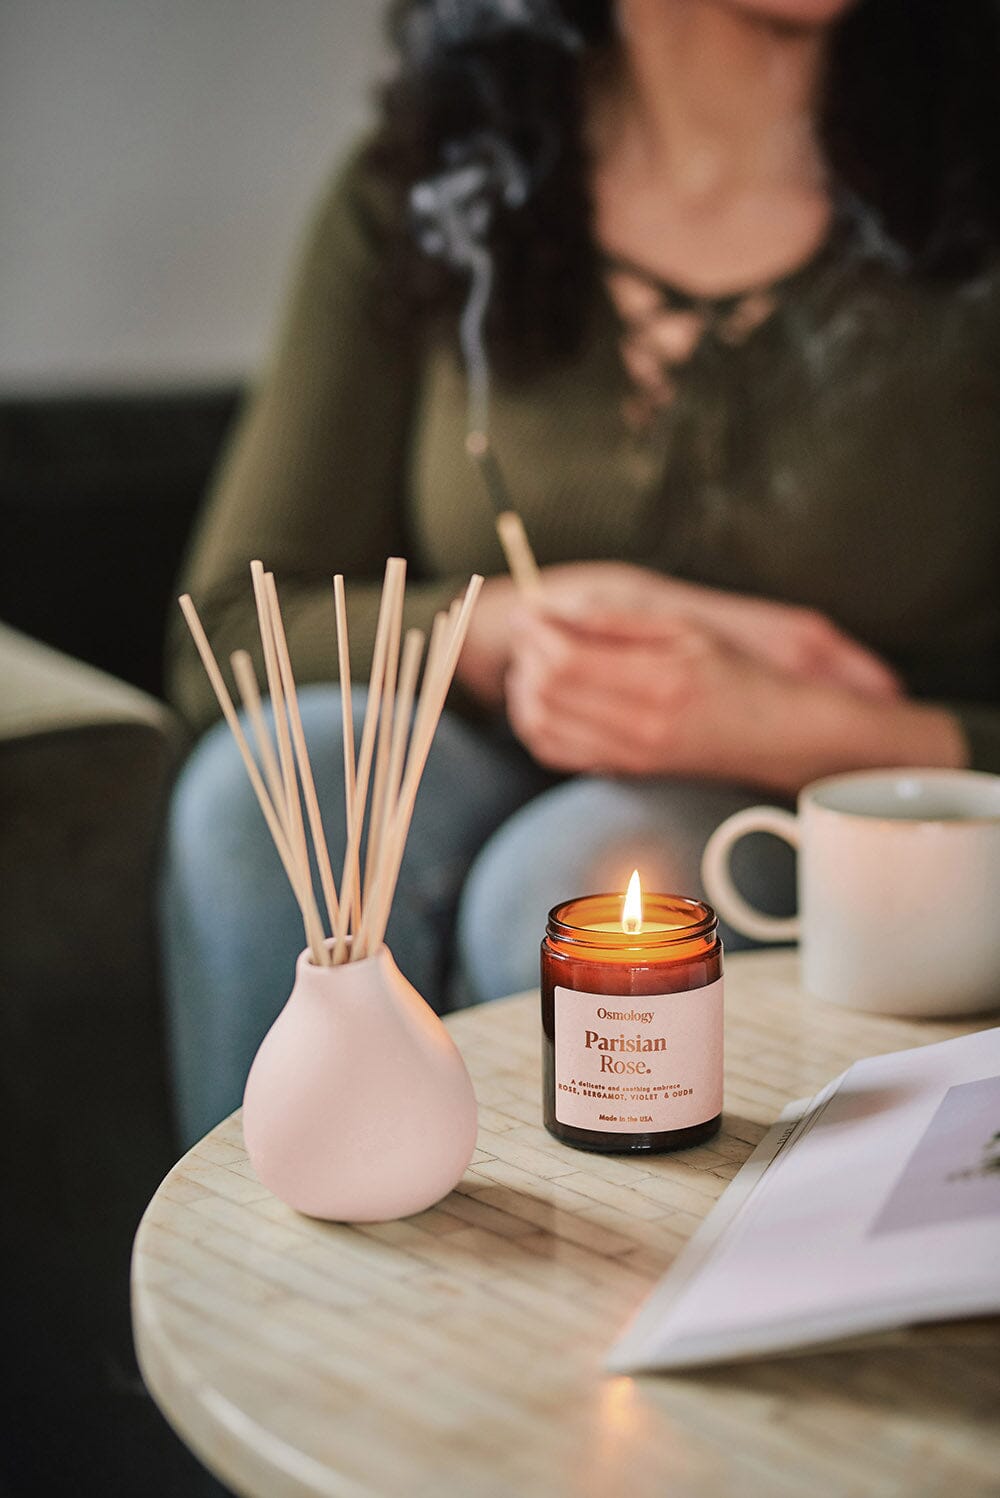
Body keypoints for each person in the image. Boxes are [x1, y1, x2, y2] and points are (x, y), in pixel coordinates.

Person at [163, 0, 1000, 1145]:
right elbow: (226, 640)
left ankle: (576, 1312)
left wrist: (782, 725)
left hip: (839, 822)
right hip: (471, 752)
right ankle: (263, 1300)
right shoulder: (430, 194)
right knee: (280, 785)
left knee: (585, 883)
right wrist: (520, 625)